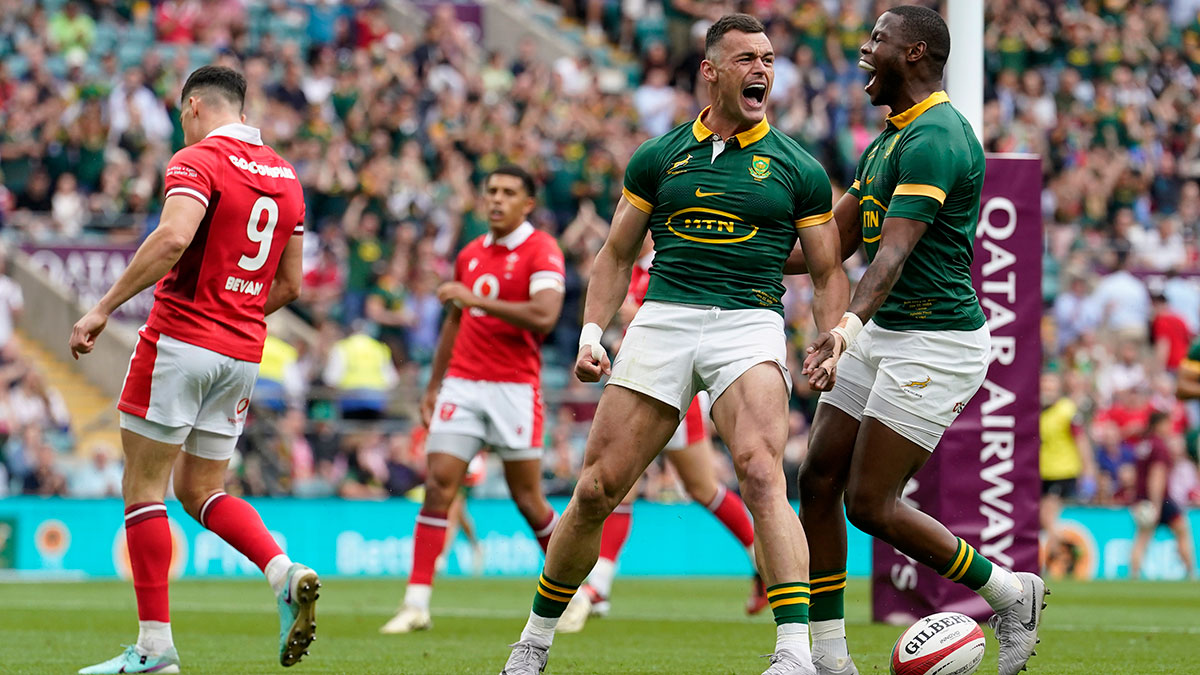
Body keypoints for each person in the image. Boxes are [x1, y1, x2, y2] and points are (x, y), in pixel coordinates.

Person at [501, 14, 849, 675]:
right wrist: (590, 333)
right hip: (662, 318)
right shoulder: (659, 156)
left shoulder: (798, 166)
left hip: (748, 321)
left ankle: (795, 652)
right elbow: (613, 254)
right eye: (746, 58)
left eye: (769, 59)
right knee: (598, 487)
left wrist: (830, 337)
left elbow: (829, 269)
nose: (763, 70)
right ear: (710, 72)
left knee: (760, 471)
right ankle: (535, 640)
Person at [795, 7, 1045, 675]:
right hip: (883, 329)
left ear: (912, 52)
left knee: (869, 503)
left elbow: (892, 255)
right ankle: (828, 657)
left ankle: (1009, 592)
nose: (862, 51)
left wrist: (844, 327)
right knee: (815, 478)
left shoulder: (938, 135)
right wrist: (732, 248)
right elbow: (833, 245)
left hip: (936, 341)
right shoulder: (887, 140)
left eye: (875, 39)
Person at [70, 66, 318, 674]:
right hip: (242, 352)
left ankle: (155, 648)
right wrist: (233, 310)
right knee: (202, 489)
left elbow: (173, 238)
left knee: (144, 486)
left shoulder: (196, 159)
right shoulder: (286, 177)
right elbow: (290, 283)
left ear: (194, 107)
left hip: (181, 340)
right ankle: (282, 571)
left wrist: (103, 308)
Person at [380, 165, 567, 634]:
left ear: (528, 203)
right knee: (439, 485)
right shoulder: (469, 254)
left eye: (508, 192)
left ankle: (574, 588)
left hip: (514, 387)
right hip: (462, 383)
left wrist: (475, 300)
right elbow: (454, 321)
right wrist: (432, 384)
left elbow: (545, 315)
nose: (496, 200)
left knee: (528, 499)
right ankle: (416, 602)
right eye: (491, 192)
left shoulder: (541, 249)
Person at [557, 243, 766, 635]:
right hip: (645, 386)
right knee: (628, 487)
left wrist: (635, 317)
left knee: (702, 488)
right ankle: (598, 588)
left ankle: (765, 562)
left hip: (675, 392)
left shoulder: (669, 262)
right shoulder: (633, 268)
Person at [1129, 411, 1196, 580]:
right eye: (1167, 424)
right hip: (1159, 499)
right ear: (1159, 424)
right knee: (1182, 530)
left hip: (1141, 498)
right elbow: (1156, 476)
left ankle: (1134, 575)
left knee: (1142, 538)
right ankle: (1191, 573)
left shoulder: (1144, 444)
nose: (1170, 428)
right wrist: (1157, 504)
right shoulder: (1159, 446)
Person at [1038, 372, 1095, 570]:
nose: (1047, 391)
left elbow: (1081, 440)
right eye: (1044, 387)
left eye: (1051, 388)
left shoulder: (1067, 411)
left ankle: (1061, 554)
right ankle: (1061, 553)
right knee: (1045, 519)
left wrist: (1088, 471)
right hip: (1042, 472)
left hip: (1063, 471)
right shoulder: (1038, 412)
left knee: (1046, 516)